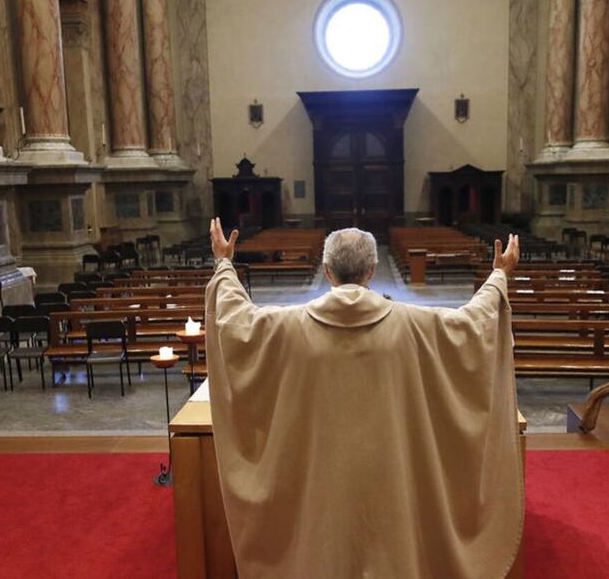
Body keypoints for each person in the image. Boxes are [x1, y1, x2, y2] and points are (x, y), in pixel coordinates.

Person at [206, 220, 523, 579]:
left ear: (327, 271)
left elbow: (236, 321)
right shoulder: (414, 324)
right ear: (372, 271)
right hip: (391, 477)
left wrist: (224, 264)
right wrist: (499, 275)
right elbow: (472, 325)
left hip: (318, 481)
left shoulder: (288, 327)